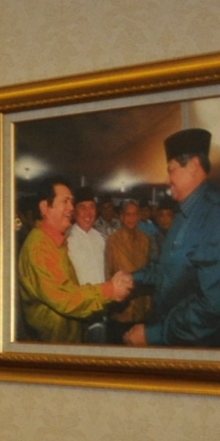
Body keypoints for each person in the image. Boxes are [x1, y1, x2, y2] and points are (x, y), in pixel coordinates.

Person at [127, 128, 220, 348]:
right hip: (174, 335)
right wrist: (132, 278)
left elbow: (212, 305)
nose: (168, 180)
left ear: (194, 165)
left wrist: (154, 335)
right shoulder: (184, 213)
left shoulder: (214, 215)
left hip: (195, 345)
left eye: (171, 170)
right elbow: (167, 269)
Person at [16, 177, 132, 341]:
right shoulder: (40, 247)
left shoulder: (56, 241)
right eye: (65, 201)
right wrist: (110, 290)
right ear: (45, 207)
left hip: (77, 325)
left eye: (71, 201)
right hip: (55, 343)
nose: (71, 208)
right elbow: (66, 298)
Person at [105, 195, 153, 329]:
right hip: (122, 306)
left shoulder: (145, 239)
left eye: (135, 214)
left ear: (139, 216)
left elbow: (149, 271)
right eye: (128, 214)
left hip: (141, 304)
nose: (131, 218)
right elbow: (108, 272)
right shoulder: (113, 240)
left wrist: (149, 302)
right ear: (121, 217)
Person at [65, 190, 109, 286]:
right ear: (74, 212)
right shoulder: (68, 240)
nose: (88, 213)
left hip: (103, 293)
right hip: (81, 294)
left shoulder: (100, 238)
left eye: (92, 207)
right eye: (82, 207)